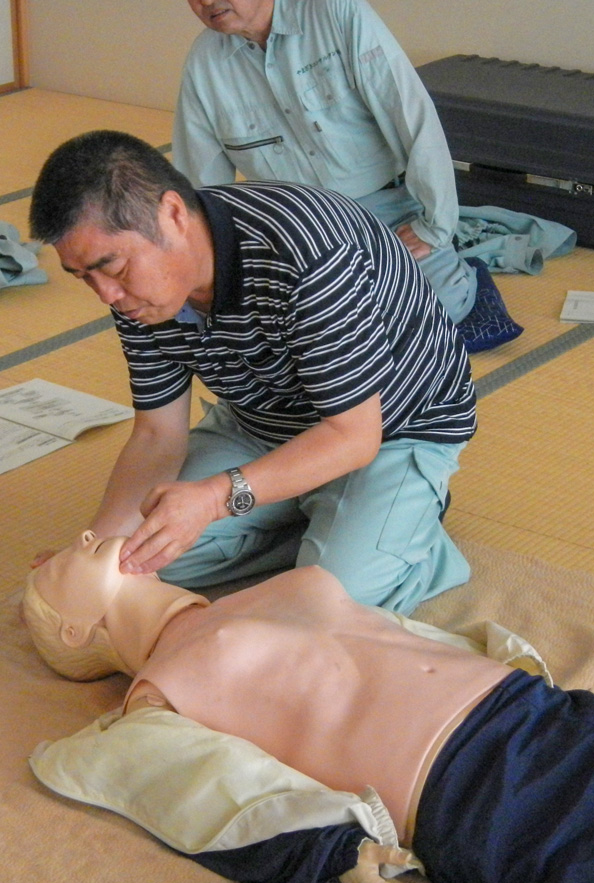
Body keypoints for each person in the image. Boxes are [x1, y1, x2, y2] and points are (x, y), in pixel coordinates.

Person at [24, 531, 594, 883]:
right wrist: (347, 871)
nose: (84, 534)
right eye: (60, 562)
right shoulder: (153, 705)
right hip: (489, 794)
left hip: (550, 714)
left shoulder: (259, 588)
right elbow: (231, 807)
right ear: (72, 632)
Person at [29, 129, 475, 615]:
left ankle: (408, 544)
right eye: (85, 278)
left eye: (112, 268)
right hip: (261, 424)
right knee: (143, 561)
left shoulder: (307, 251)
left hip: (392, 431)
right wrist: (95, 554)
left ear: (172, 215)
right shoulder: (135, 295)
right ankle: (323, 521)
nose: (107, 295)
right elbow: (157, 434)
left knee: (332, 602)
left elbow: (354, 436)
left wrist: (214, 499)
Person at [173, 0, 523, 353]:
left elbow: (413, 118)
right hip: (294, 228)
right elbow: (199, 184)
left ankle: (456, 271)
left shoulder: (337, 12)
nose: (206, 2)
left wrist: (435, 226)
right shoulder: (204, 62)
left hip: (385, 212)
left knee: (439, 309)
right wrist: (204, 271)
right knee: (272, 330)